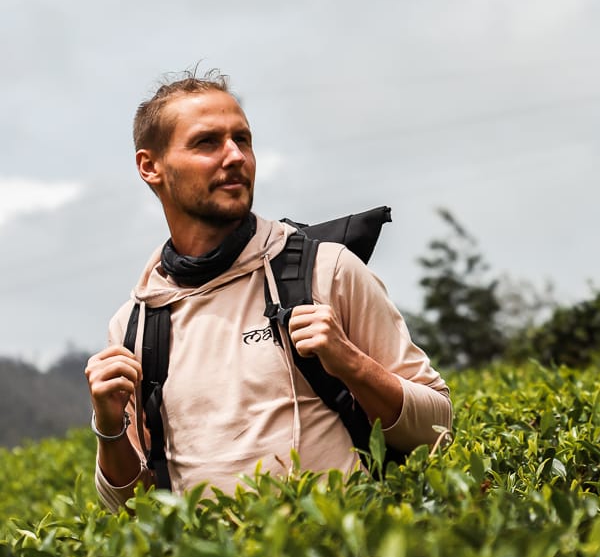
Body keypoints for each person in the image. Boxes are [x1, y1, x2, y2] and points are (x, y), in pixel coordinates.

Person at [85, 70, 452, 511]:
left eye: (242, 139)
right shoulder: (135, 325)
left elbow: (439, 428)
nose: (235, 156)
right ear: (151, 167)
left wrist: (347, 360)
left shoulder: (327, 271)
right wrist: (108, 424)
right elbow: (127, 508)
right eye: (207, 143)